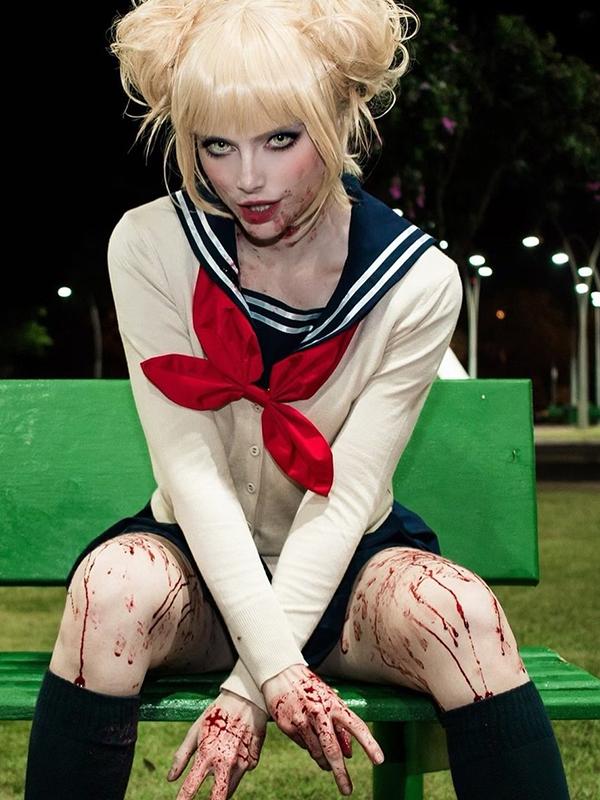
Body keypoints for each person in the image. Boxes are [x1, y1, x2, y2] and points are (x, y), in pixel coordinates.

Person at [25, 1, 570, 798]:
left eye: (281, 139)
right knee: (109, 590)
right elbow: (193, 475)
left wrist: (254, 688)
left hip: (351, 575)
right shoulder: (151, 245)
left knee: (463, 615)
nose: (246, 178)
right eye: (216, 145)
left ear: (338, 117)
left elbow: (344, 497)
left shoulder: (418, 282)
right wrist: (276, 667)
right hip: (197, 570)